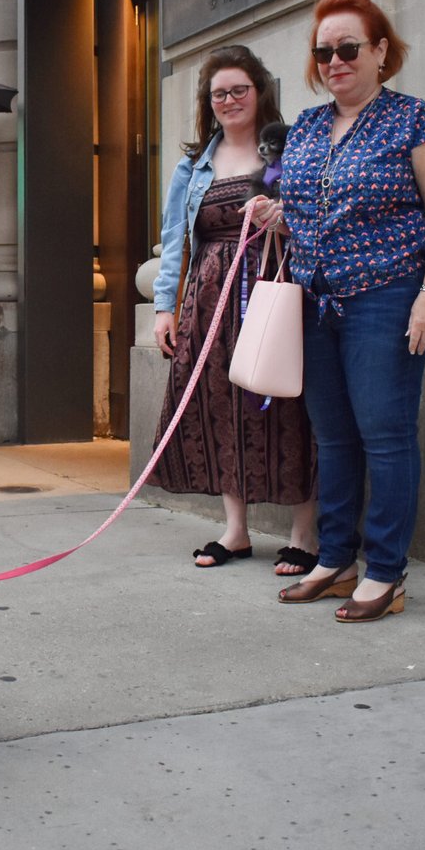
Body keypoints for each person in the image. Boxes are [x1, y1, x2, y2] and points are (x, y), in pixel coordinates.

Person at [253, 0, 425, 622]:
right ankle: (336, 558)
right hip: (316, 301)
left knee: (386, 435)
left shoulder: (412, 118)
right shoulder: (311, 125)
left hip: (387, 296)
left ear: (379, 52)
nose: (335, 61)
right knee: (333, 437)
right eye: (324, 52)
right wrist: (280, 216)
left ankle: (387, 571)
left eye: (348, 48)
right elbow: (320, 205)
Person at [147, 44, 318, 574]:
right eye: (219, 93)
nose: (230, 100)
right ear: (209, 102)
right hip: (209, 301)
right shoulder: (191, 165)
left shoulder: (293, 149)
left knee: (289, 405)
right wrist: (163, 307)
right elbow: (174, 239)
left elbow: (314, 220)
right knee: (216, 405)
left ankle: (304, 534)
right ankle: (235, 530)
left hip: (274, 291)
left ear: (260, 91)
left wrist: (278, 215)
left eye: (239, 89)